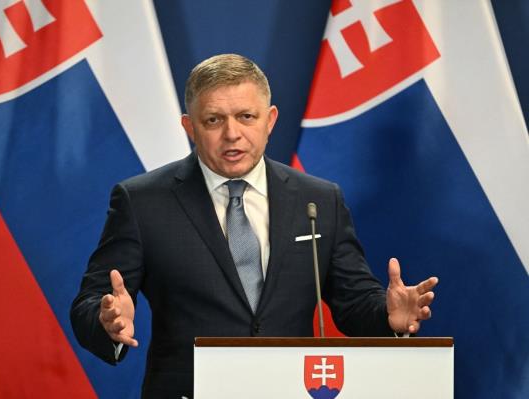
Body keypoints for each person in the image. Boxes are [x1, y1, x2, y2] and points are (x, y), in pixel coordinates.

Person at [70, 54, 438, 398]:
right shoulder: (143, 201)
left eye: (246, 116)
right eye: (214, 120)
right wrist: (108, 322)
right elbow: (91, 301)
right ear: (190, 127)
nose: (232, 134)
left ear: (270, 120)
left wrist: (388, 317)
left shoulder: (319, 200)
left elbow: (352, 299)